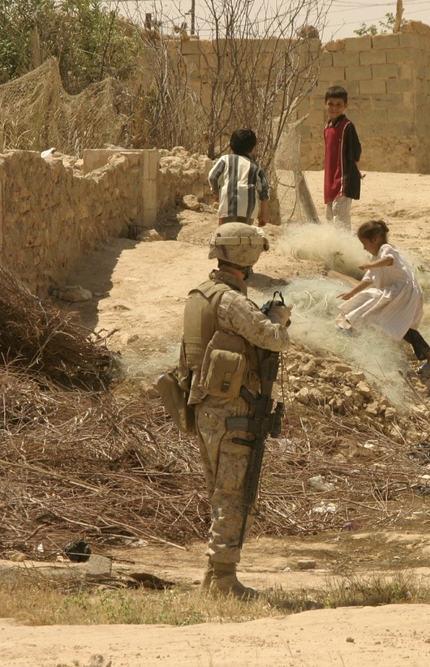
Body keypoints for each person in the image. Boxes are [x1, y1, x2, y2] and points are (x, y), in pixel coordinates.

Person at [181, 223, 291, 598]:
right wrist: (278, 318)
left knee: (219, 491)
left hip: (205, 410)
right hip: (233, 414)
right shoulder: (231, 300)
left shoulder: (200, 294)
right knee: (232, 494)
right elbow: (274, 339)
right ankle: (225, 579)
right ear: (245, 257)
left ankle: (213, 577)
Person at [338, 220, 430, 372]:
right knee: (403, 326)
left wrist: (370, 265)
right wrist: (351, 293)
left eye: (364, 243)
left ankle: (352, 329)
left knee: (371, 303)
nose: (364, 248)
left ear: (375, 240)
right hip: (401, 293)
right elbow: (368, 279)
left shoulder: (386, 249)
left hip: (402, 292)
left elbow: (389, 260)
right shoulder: (376, 259)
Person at [208, 128, 271, 227]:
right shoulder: (256, 167)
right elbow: (264, 191)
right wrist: (263, 215)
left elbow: (213, 177)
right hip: (248, 210)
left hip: (228, 208)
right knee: (244, 236)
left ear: (231, 145)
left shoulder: (225, 160)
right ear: (252, 148)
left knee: (223, 234)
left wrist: (216, 194)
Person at [323, 85, 362, 229]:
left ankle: (344, 250)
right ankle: (333, 249)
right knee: (329, 215)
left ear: (345, 105)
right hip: (330, 180)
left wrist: (353, 171)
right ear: (325, 104)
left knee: (340, 216)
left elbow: (355, 151)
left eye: (339, 105)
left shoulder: (347, 126)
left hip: (343, 180)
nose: (334, 108)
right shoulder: (327, 128)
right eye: (331, 104)